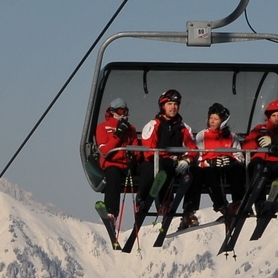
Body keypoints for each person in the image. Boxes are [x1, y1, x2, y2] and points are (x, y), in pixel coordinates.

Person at [240, 99, 278, 238]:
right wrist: (258, 141)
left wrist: (276, 143)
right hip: (261, 162)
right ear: (268, 116)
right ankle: (260, 202)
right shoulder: (259, 129)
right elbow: (246, 146)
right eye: (273, 116)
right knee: (258, 168)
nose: (277, 119)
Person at [140, 90, 197, 225]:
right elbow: (149, 150)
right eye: (170, 104)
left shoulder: (183, 127)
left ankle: (189, 210)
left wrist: (187, 160)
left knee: (196, 172)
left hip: (178, 164)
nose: (173, 107)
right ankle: (163, 202)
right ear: (163, 106)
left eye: (176, 104)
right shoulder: (153, 125)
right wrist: (170, 158)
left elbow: (193, 149)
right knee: (164, 166)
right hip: (160, 163)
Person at [92, 97, 138, 244]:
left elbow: (136, 147)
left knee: (145, 171)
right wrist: (117, 134)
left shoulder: (130, 129)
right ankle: (112, 212)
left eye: (125, 111)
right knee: (112, 175)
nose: (123, 114)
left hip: (127, 165)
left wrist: (134, 157)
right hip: (112, 164)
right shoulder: (103, 128)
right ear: (112, 112)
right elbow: (105, 150)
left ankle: (145, 202)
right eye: (120, 111)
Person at [196, 103, 242, 226]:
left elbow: (239, 155)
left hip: (228, 166)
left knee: (237, 169)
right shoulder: (202, 135)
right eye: (211, 118)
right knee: (209, 173)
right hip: (210, 166)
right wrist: (208, 161)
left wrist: (231, 160)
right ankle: (221, 204)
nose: (212, 121)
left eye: (215, 119)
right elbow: (197, 155)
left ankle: (237, 202)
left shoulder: (232, 136)